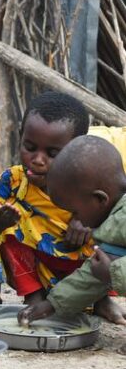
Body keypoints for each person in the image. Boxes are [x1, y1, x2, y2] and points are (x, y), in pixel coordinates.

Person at [0, 91, 119, 316]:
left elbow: (116, 220)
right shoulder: (13, 180)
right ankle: (34, 296)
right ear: (20, 137)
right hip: (39, 264)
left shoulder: (89, 183)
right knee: (11, 225)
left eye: (53, 153)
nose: (38, 159)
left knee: (107, 242)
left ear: (75, 149)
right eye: (30, 147)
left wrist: (87, 223)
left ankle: (102, 300)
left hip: (84, 266)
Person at [18, 136, 126, 325]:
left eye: (74, 212)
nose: (75, 219)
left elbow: (109, 271)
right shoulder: (114, 225)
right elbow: (91, 278)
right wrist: (51, 305)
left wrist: (113, 272)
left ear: (100, 200)